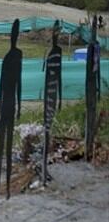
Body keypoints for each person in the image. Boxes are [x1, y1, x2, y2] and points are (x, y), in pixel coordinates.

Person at [0, 20, 23, 203]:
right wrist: (19, 105)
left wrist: (0, 111)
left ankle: (2, 190)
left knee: (4, 146)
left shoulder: (10, 57)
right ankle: (2, 190)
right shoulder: (16, 56)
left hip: (8, 102)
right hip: (10, 103)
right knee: (5, 146)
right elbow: (16, 83)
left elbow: (3, 87)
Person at [42, 20, 63, 184]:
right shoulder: (51, 53)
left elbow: (58, 76)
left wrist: (61, 97)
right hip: (50, 92)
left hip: (52, 92)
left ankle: (44, 163)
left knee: (49, 123)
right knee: (47, 124)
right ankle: (43, 164)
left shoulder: (57, 52)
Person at [85, 16, 101, 161]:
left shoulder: (95, 46)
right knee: (89, 109)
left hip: (92, 84)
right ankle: (88, 144)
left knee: (92, 109)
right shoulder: (92, 46)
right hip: (90, 83)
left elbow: (98, 67)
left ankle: (89, 145)